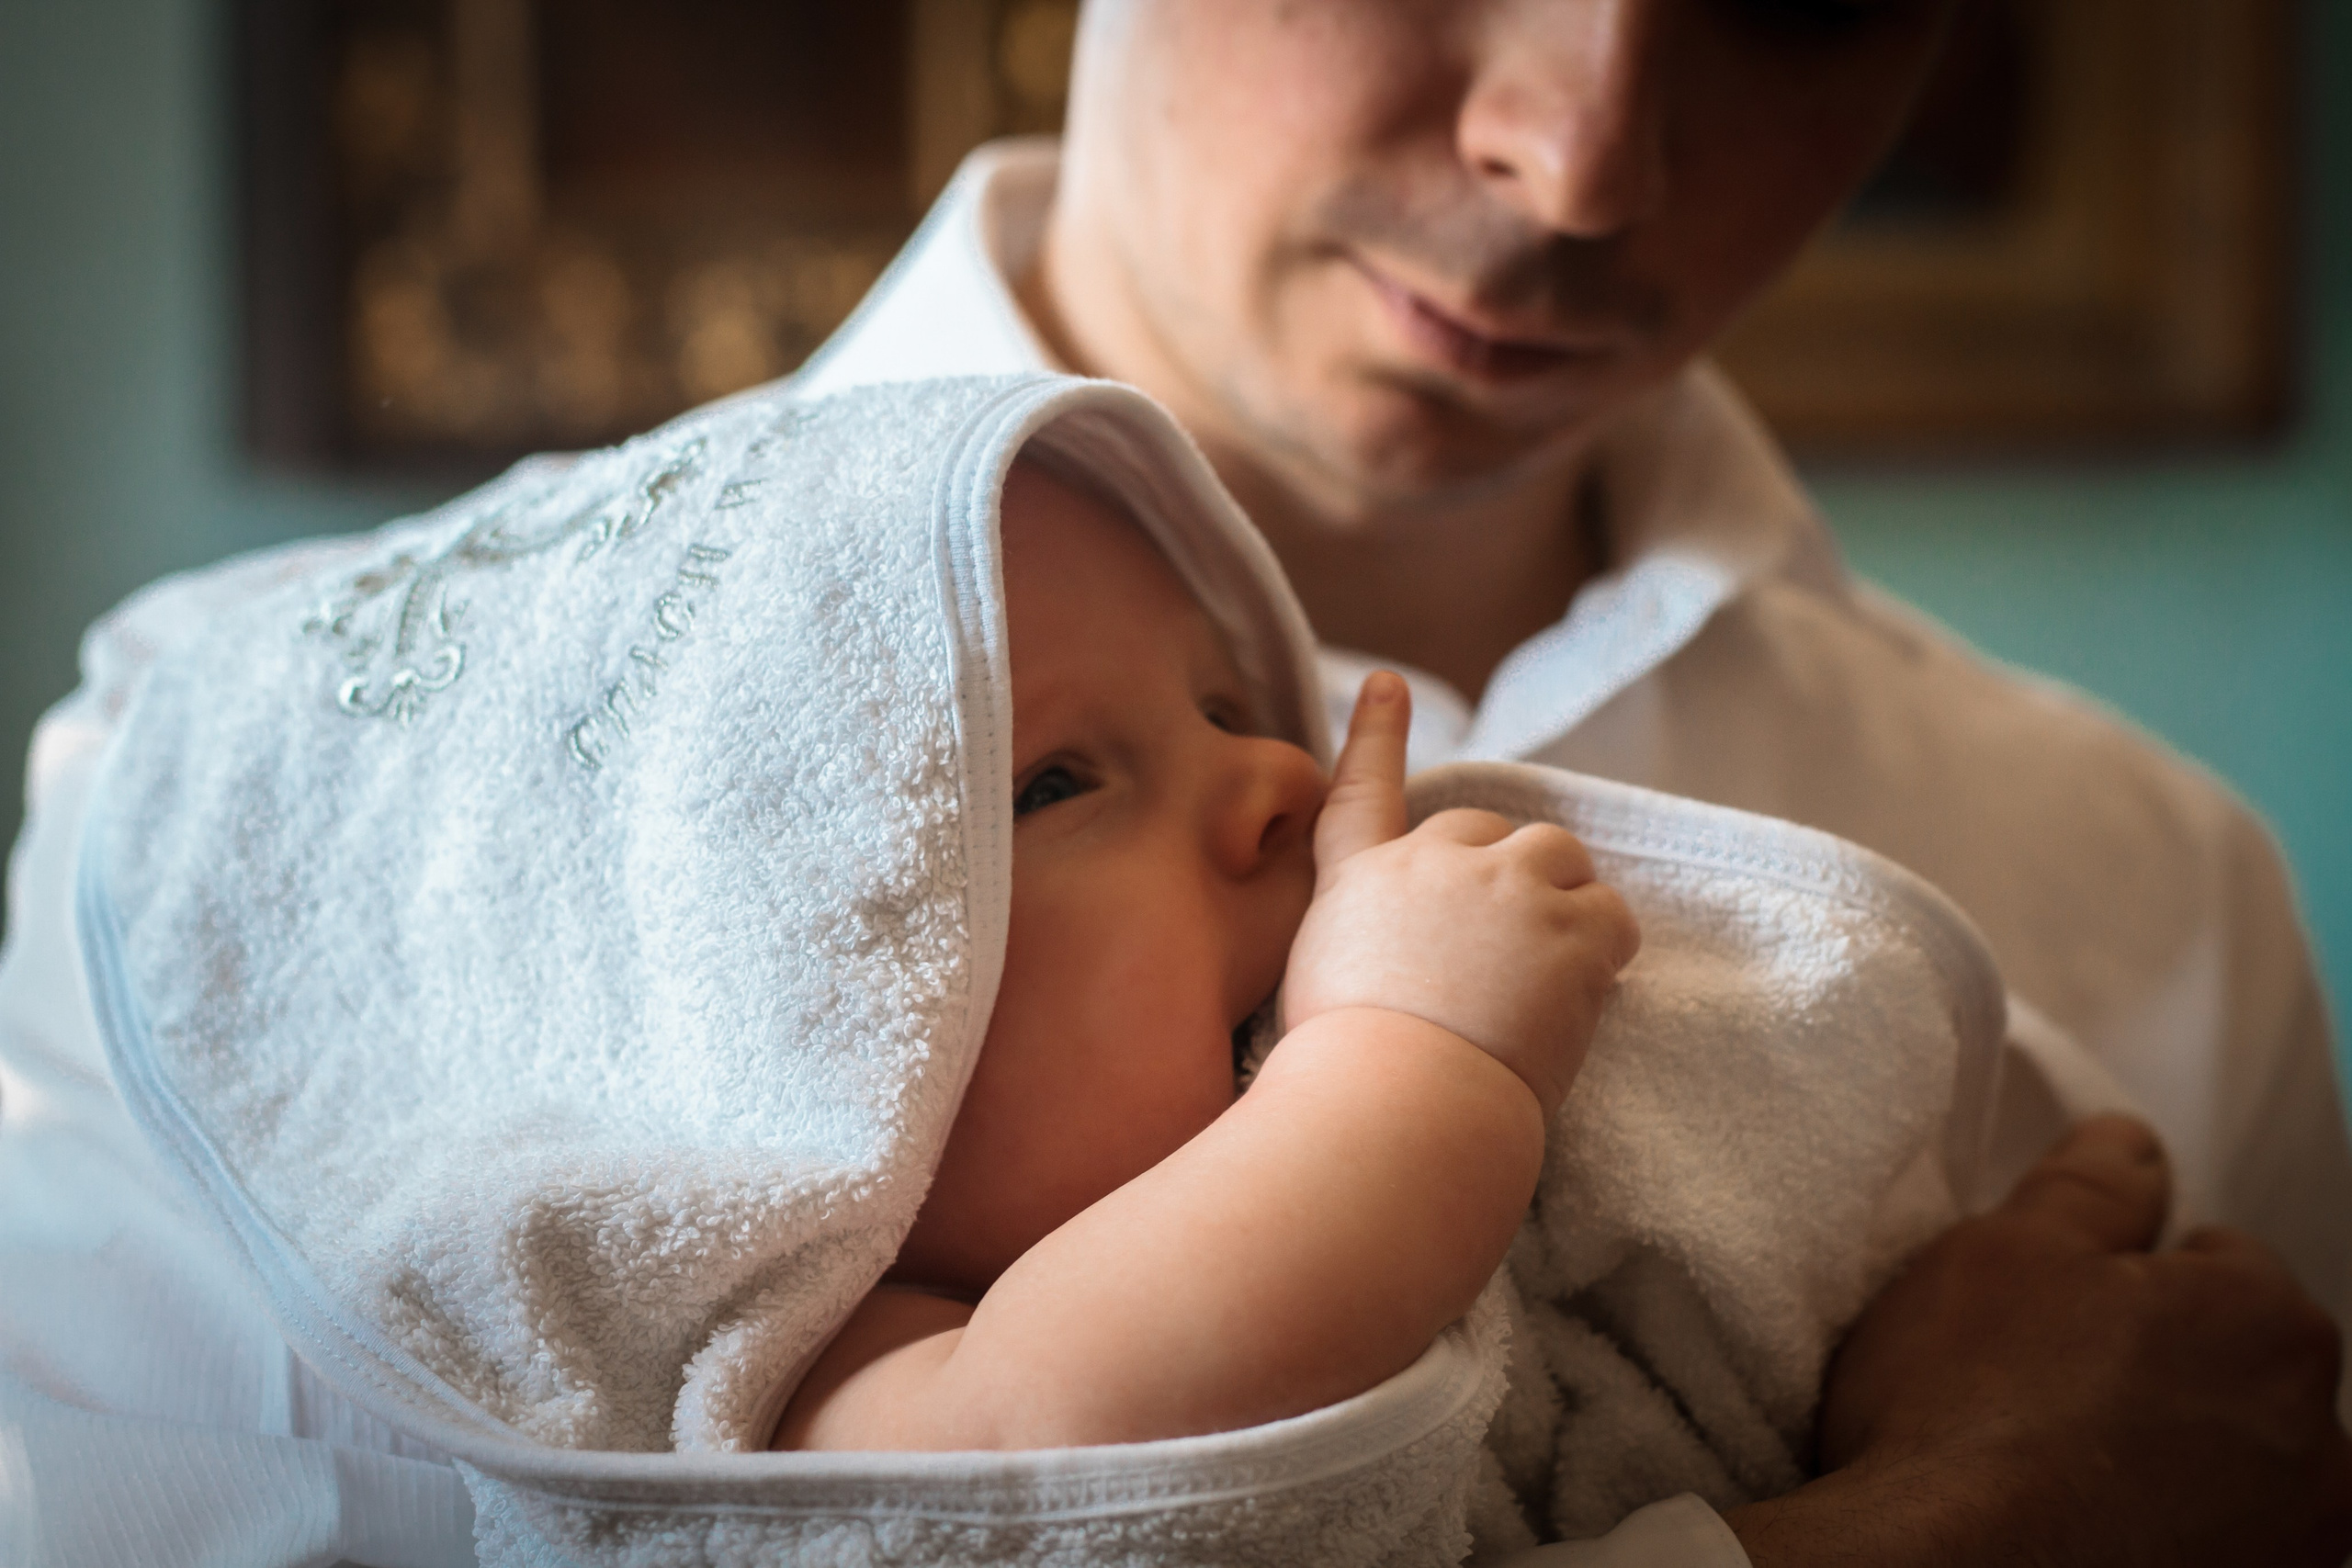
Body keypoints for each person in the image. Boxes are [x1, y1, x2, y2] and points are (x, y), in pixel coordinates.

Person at [781, 0, 2352, 1559]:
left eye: (1799, 14)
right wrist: (1971, 1519)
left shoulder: (2159, 885)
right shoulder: (579, 812)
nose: (1579, 160)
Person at [773, 458, 1639, 1456]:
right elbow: (1050, 1446)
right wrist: (1418, 1035)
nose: (1276, 770)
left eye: (1224, 708)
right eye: (1054, 786)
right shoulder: (837, 1383)